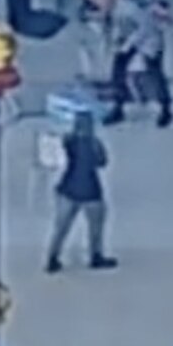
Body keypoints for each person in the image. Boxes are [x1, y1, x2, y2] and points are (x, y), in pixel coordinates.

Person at [80, 0, 173, 128]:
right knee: (118, 74)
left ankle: (165, 108)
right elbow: (110, 28)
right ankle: (118, 108)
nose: (97, 2)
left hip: (148, 41)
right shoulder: (111, 8)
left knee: (154, 74)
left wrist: (128, 45)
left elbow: (146, 26)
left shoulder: (128, 6)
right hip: (126, 42)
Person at [43, 116, 116, 273]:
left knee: (61, 227)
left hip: (68, 189)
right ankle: (95, 255)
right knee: (95, 227)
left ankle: (52, 258)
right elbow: (102, 162)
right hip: (91, 190)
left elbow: (54, 159)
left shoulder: (68, 141)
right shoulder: (94, 144)